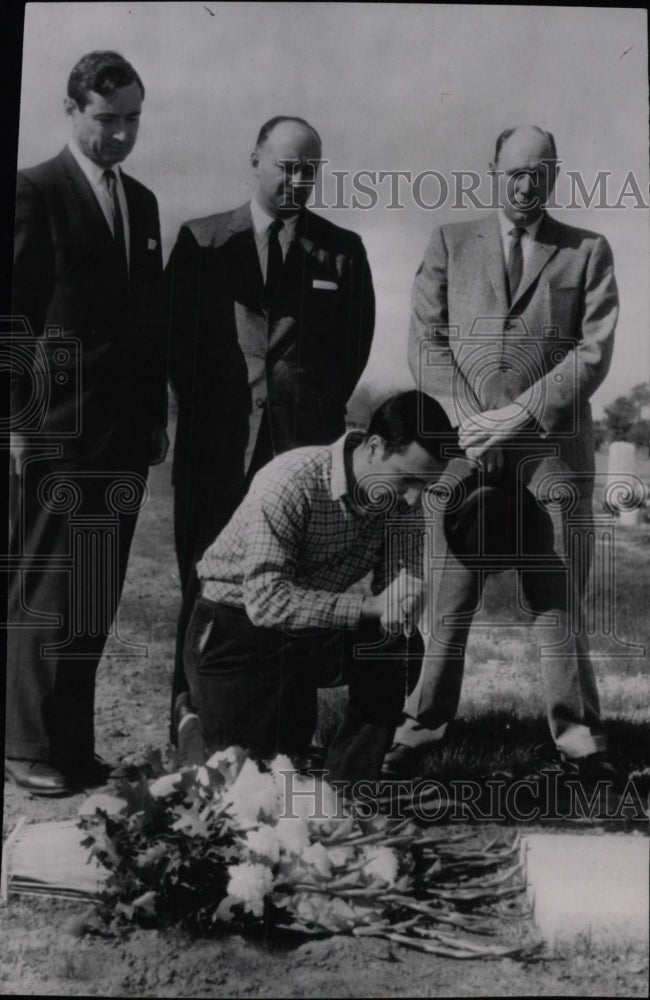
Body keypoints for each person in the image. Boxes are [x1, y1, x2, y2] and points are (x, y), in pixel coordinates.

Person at [383, 125, 619, 779]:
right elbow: (424, 342)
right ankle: (421, 727)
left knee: (558, 602)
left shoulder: (587, 251)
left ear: (554, 173)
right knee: (448, 601)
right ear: (493, 171)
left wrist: (521, 413)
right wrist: (467, 417)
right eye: (515, 171)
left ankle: (578, 737)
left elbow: (593, 350)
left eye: (540, 171)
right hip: (465, 450)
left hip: (552, 452)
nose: (526, 184)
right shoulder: (450, 243)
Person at [165, 116, 376, 730]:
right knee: (204, 586)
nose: (298, 179)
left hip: (299, 452)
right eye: (286, 165)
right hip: (219, 450)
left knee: (291, 589)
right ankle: (189, 727)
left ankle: (282, 733)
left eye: (310, 168)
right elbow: (177, 346)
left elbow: (352, 350)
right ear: (255, 160)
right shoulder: (201, 242)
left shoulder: (342, 251)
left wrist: (303, 408)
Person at [6, 51, 168, 795]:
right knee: (47, 587)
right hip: (58, 430)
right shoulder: (35, 190)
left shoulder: (142, 202)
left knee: (96, 593)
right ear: (72, 111)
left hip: (124, 436)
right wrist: (16, 422)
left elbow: (147, 323)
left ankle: (72, 746)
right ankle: (27, 746)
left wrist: (153, 418)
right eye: (107, 120)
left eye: (132, 119)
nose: (121, 135)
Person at [175, 391, 453, 786]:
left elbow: (397, 584)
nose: (415, 497)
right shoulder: (292, 479)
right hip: (235, 628)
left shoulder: (406, 501)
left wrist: (405, 600)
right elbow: (266, 602)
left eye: (427, 485)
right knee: (244, 783)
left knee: (398, 645)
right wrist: (374, 607)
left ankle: (349, 788)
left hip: (306, 629)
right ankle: (191, 719)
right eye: (408, 479)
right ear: (374, 447)